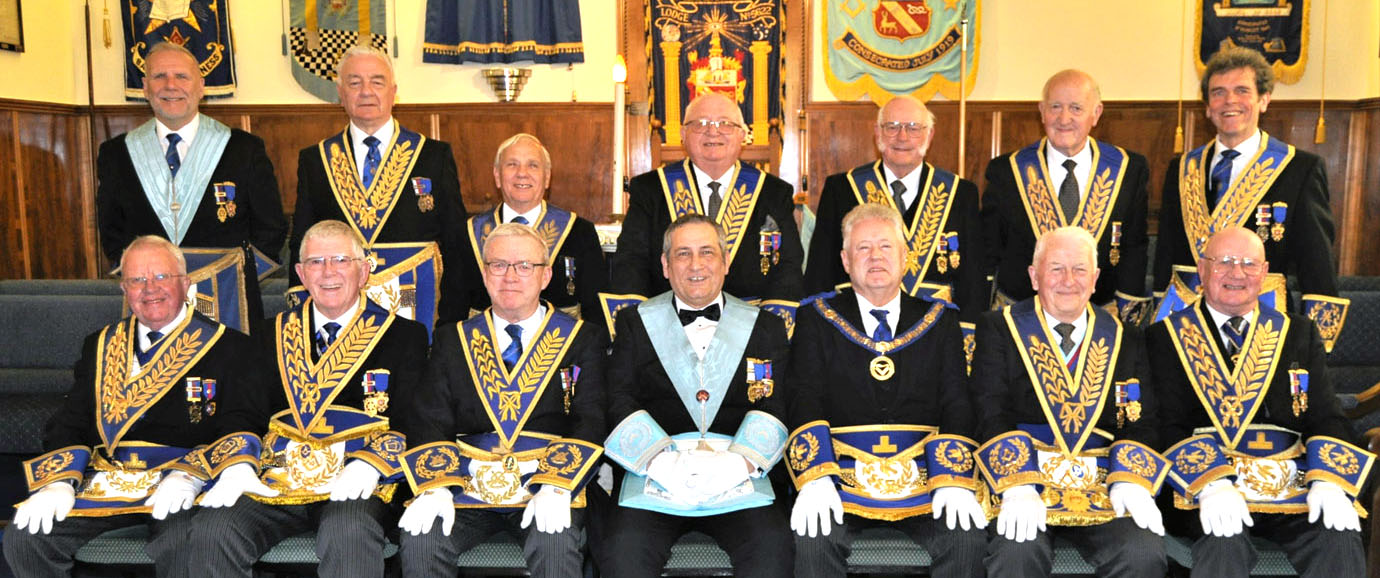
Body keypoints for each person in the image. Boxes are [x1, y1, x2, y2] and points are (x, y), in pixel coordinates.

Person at [4, 236, 262, 577]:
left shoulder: (229, 347)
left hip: (183, 485)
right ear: (124, 289)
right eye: (137, 280)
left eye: (161, 277)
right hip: (107, 482)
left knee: (187, 544)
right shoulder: (100, 344)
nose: (149, 289)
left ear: (185, 284)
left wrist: (192, 473)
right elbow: (72, 420)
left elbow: (240, 422)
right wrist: (60, 482)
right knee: (25, 537)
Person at [184, 220, 428, 578]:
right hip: (275, 480)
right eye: (315, 262)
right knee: (212, 530)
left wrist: (372, 463)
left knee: (348, 532)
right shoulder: (269, 335)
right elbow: (242, 412)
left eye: (341, 260)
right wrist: (238, 464)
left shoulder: (404, 336)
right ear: (300, 272)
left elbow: (413, 417)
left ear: (364, 270)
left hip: (358, 481)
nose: (328, 272)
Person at [1148, 226, 1372, 578]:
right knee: (1223, 544)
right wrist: (1211, 483)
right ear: (1202, 270)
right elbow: (1166, 425)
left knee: (1339, 538)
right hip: (1206, 490)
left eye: (1249, 264)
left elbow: (1326, 416)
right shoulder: (1163, 337)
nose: (1237, 273)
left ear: (1264, 274)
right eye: (1224, 262)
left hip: (1290, 487)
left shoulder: (1297, 333)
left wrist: (1328, 479)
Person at [395, 223, 606, 576]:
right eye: (498, 265)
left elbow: (591, 418)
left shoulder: (583, 339)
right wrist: (437, 488)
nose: (510, 276)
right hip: (466, 487)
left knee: (554, 540)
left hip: (548, 483)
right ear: (484, 273)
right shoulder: (453, 340)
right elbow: (430, 420)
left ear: (546, 276)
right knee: (422, 539)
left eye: (524, 266)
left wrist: (556, 484)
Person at [788, 204, 986, 577]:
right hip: (841, 478)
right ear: (846, 261)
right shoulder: (816, 318)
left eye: (885, 247)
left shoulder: (941, 319)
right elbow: (803, 397)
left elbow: (957, 402)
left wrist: (953, 479)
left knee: (967, 538)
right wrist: (815, 477)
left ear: (905, 257)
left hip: (924, 479)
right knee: (812, 538)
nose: (875, 256)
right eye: (863, 249)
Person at [598, 214, 793, 577]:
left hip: (739, 474)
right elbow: (618, 398)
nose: (696, 265)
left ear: (725, 261)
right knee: (621, 554)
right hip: (656, 474)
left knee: (773, 551)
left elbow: (776, 402)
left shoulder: (765, 326)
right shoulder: (634, 322)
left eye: (707, 252)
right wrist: (661, 463)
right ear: (665, 265)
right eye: (683, 254)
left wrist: (737, 464)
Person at [971, 226, 1168, 577]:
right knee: (1016, 552)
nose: (1068, 280)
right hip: (1024, 482)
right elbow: (989, 411)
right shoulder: (998, 328)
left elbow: (1143, 420)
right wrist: (1017, 482)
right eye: (1056, 269)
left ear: (1094, 280)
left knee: (1142, 552)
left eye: (1079, 270)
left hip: (1103, 484)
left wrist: (1130, 479)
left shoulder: (1127, 338)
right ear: (1034, 276)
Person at [1154, 47, 1347, 348]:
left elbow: (1317, 264)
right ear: (1207, 106)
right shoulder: (1181, 168)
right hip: (1187, 324)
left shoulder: (1299, 169)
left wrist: (1316, 345)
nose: (1229, 101)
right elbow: (1166, 254)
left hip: (1265, 322)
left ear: (1264, 100)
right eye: (1218, 92)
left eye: (1242, 90)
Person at [97, 42, 286, 331]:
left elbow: (271, 227)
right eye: (160, 77)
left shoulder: (243, 149)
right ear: (146, 88)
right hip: (150, 303)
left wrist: (236, 278)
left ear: (201, 86)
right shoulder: (116, 154)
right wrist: (142, 280)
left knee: (232, 375)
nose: (171, 86)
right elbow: (111, 232)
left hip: (228, 301)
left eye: (182, 77)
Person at [289, 45, 467, 335]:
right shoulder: (316, 160)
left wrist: (450, 320)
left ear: (394, 91)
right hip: (341, 311)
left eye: (377, 81)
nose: (366, 91)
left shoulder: (433, 155)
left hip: (420, 309)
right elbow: (302, 240)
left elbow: (455, 243)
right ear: (341, 92)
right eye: (355, 82)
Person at [981, 70, 1151, 324]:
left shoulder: (1129, 169)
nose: (1064, 118)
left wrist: (1128, 319)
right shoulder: (1007, 170)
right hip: (1023, 318)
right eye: (1055, 107)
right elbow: (989, 251)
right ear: (1041, 111)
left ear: (1097, 114)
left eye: (1076, 108)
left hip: (1101, 317)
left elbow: (1134, 248)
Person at [804, 96, 985, 322]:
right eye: (892, 127)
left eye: (913, 128)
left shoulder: (960, 193)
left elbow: (973, 279)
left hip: (935, 330)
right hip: (855, 327)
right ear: (877, 133)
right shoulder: (841, 189)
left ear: (930, 135)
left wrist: (967, 336)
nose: (902, 137)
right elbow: (819, 272)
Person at [612, 93, 803, 304]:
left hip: (751, 323)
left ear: (742, 135)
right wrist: (643, 326)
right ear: (683, 134)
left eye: (725, 124)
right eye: (701, 123)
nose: (713, 131)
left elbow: (788, 266)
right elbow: (630, 263)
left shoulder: (773, 192)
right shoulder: (650, 190)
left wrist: (768, 329)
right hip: (668, 323)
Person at [447, 133, 608, 328]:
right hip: (484, 351)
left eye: (533, 165)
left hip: (561, 352)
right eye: (512, 164)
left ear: (547, 177)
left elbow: (596, 314)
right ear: (497, 176)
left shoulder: (579, 232)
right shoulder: (467, 233)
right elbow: (451, 313)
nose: (522, 173)